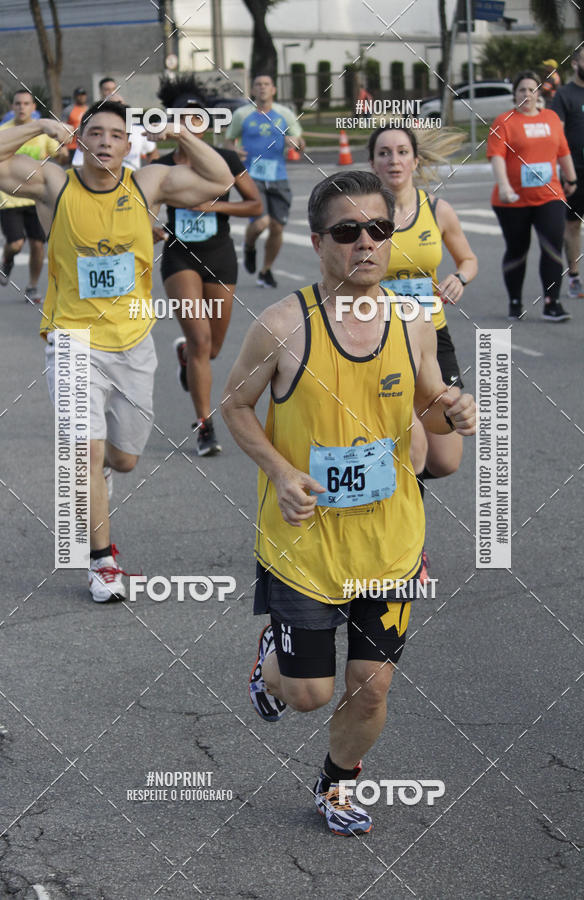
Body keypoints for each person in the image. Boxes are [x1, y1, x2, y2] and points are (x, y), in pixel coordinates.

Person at [222, 170, 476, 836]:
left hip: (389, 540)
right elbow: (236, 406)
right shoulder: (282, 325)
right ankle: (272, 665)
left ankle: (337, 784)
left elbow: (429, 406)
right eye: (347, 231)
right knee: (309, 695)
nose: (366, 242)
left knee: (372, 685)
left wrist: (454, 411)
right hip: (304, 542)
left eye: (379, 229)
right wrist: (281, 471)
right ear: (317, 242)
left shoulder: (413, 321)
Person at [0, 99, 231, 602]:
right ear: (81, 139)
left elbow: (220, 179)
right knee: (85, 453)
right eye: (95, 132)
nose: (105, 142)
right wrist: (38, 125)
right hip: (72, 339)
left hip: (133, 343)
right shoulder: (55, 185)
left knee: (124, 459)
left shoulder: (149, 184)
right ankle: (102, 561)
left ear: (127, 144)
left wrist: (181, 135)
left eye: (116, 135)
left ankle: (102, 480)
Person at [368, 125, 477, 515]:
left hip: (433, 338)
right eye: (384, 153)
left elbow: (468, 259)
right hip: (379, 340)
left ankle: (391, 479)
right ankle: (405, 533)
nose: (393, 160)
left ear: (415, 160)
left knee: (445, 459)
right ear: (372, 163)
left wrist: (459, 278)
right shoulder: (363, 215)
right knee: (410, 443)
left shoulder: (437, 210)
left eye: (401, 152)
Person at [152, 97, 262, 455]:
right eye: (181, 119)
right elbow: (142, 207)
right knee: (201, 340)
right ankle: (204, 425)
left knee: (211, 348)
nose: (188, 125)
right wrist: (150, 227)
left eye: (196, 119)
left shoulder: (225, 160)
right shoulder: (161, 165)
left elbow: (255, 204)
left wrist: (213, 206)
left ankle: (185, 354)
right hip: (179, 255)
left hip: (219, 255)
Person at [488, 70, 577, 322]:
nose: (527, 94)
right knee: (518, 249)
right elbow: (496, 157)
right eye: (521, 90)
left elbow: (562, 150)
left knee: (552, 246)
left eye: (531, 89)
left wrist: (571, 179)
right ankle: (515, 301)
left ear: (539, 94)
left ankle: (552, 303)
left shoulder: (551, 118)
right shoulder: (504, 122)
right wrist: (504, 187)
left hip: (550, 196)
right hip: (513, 201)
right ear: (514, 94)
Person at [225, 73, 304, 288]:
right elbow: (229, 140)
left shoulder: (284, 114)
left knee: (277, 227)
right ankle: (249, 246)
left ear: (273, 90)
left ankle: (266, 270)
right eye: (258, 84)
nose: (262, 87)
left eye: (267, 84)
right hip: (252, 175)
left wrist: (296, 143)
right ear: (252, 90)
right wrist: (234, 151)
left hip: (278, 175)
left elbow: (299, 141)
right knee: (261, 222)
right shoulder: (242, 114)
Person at [0, 89, 67, 303]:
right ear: (12, 107)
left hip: (37, 198)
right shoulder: (3, 132)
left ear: (33, 107)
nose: (22, 107)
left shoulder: (42, 131)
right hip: (10, 198)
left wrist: (63, 154)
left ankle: (32, 287)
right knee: (16, 243)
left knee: (37, 245)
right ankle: (7, 259)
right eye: (18, 103)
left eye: (26, 103)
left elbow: (59, 155)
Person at [552, 47, 584, 299]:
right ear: (574, 63)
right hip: (576, 171)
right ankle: (574, 277)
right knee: (572, 225)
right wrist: (564, 171)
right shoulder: (564, 95)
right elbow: (557, 135)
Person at [62, 87, 88, 162]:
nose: (81, 97)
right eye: (79, 95)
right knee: (73, 167)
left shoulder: (89, 110)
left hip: (86, 146)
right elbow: (63, 128)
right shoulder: (68, 110)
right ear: (75, 97)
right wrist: (63, 146)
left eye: (83, 95)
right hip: (72, 146)